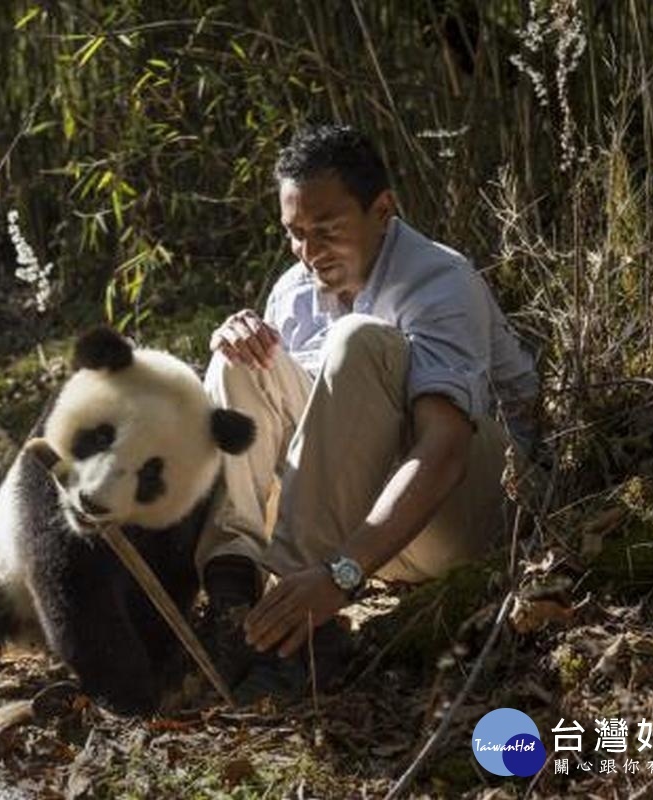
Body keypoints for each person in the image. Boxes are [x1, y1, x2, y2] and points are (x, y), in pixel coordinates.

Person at [196, 124, 540, 698]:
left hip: (473, 514)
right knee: (241, 356)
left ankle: (303, 629)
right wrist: (242, 345)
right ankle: (237, 609)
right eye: (295, 233)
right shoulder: (295, 289)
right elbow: (314, 432)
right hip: (368, 523)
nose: (309, 253)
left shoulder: (438, 280)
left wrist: (342, 575)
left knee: (357, 341)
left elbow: (445, 449)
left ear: (382, 209)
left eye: (327, 231)